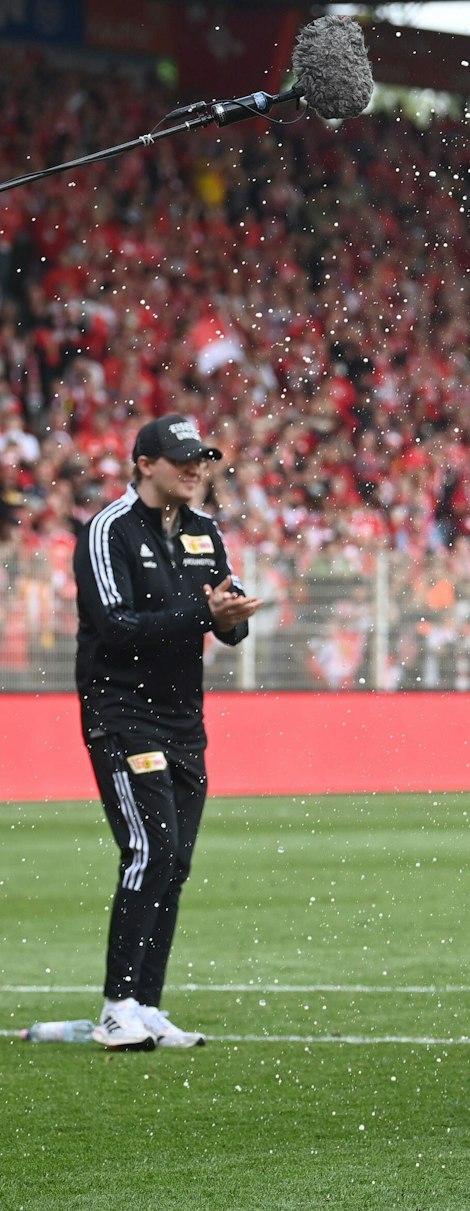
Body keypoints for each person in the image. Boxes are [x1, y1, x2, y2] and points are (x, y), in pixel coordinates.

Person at [74, 414, 261, 1050]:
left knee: (175, 862)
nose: (195, 469)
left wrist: (229, 619)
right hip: (122, 713)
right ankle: (116, 1007)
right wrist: (202, 614)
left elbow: (229, 624)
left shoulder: (206, 531)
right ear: (144, 464)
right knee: (149, 851)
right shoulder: (109, 530)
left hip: (183, 718)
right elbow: (116, 626)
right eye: (182, 459)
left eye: (201, 459)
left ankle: (146, 1005)